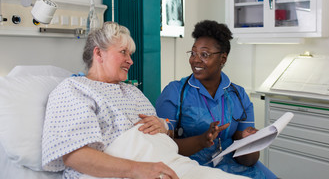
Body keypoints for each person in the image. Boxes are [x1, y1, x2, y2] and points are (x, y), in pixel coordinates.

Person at [42, 22, 178, 179]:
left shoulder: (133, 92)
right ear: (99, 53)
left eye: (130, 54)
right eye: (123, 52)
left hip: (165, 166)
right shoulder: (73, 90)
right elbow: (74, 156)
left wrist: (164, 128)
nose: (130, 61)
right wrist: (138, 169)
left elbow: (159, 140)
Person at [155, 20, 277, 179]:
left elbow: (248, 161)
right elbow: (162, 147)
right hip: (190, 167)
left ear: (223, 59)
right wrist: (201, 141)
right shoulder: (175, 92)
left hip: (233, 166)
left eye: (204, 54)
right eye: (193, 53)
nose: (195, 60)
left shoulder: (239, 96)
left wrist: (251, 144)